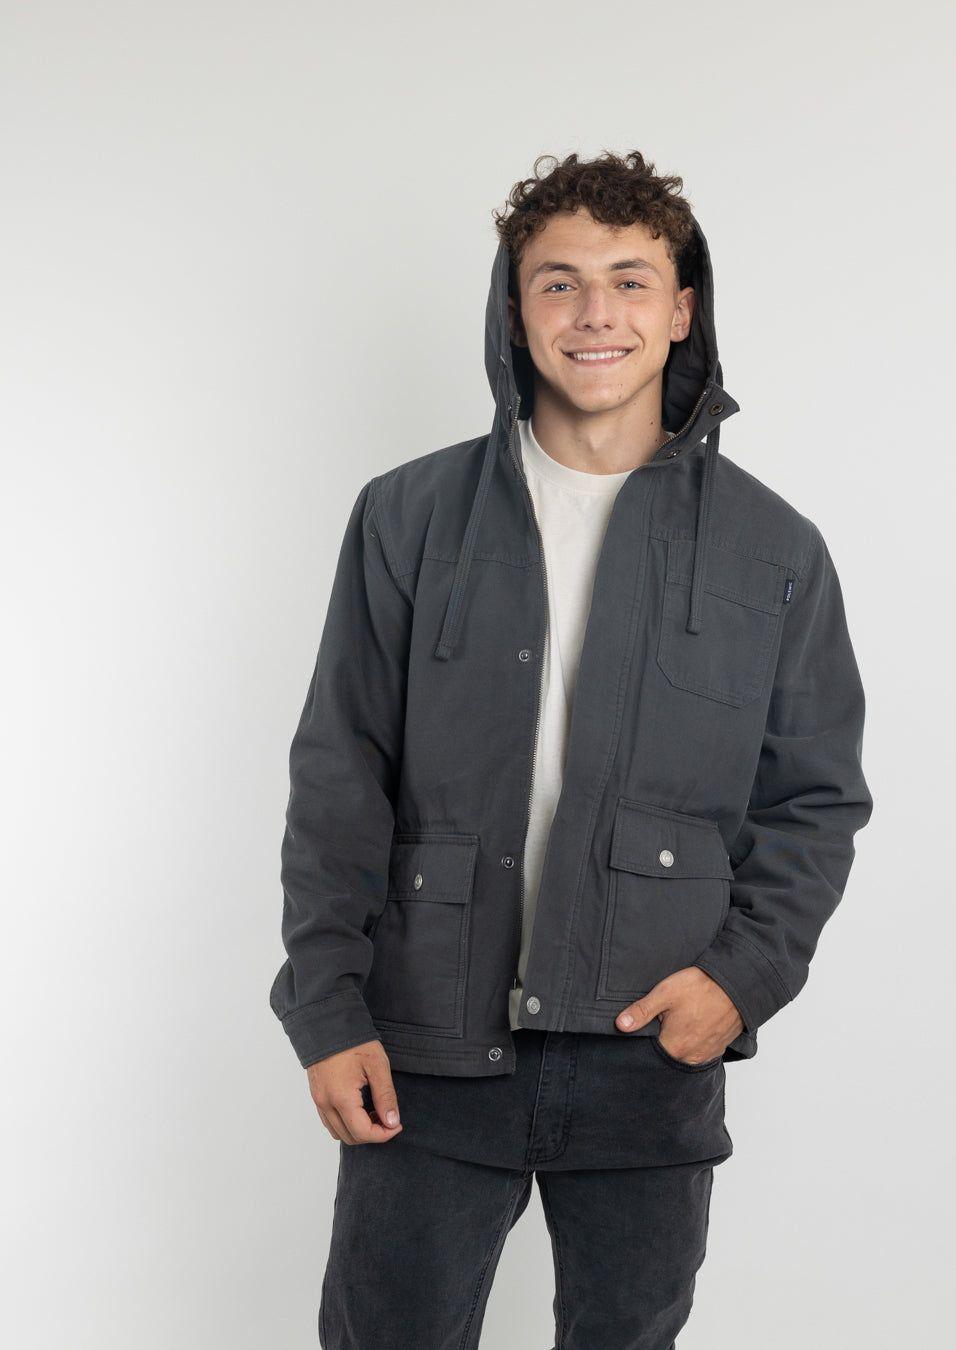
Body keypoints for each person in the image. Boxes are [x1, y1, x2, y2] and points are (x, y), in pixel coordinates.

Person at [269, 149, 873, 1349]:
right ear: (515, 311)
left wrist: (740, 982)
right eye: (560, 283)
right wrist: (326, 1010)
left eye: (630, 281)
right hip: (427, 1042)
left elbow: (814, 801)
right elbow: (341, 772)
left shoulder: (775, 551)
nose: (597, 313)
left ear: (681, 310)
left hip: (650, 1048)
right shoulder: (406, 517)